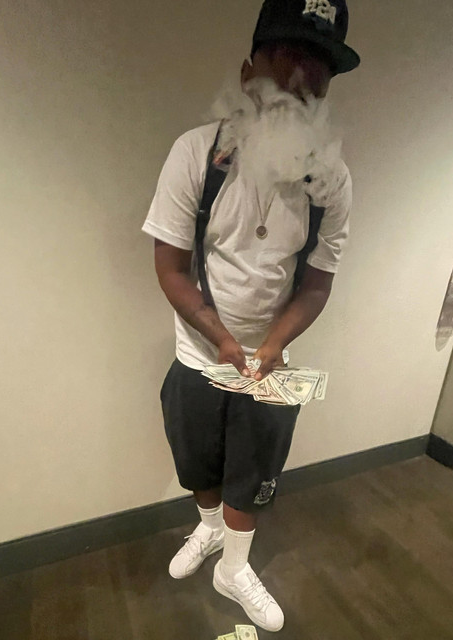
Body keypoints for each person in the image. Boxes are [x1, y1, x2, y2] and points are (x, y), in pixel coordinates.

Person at [141, 0, 360, 632]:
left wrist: (272, 345)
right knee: (198, 462)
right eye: (285, 63)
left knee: (256, 471)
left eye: (317, 74)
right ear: (247, 73)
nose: (298, 86)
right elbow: (171, 268)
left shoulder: (331, 181)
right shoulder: (195, 154)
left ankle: (234, 568)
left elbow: (316, 284)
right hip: (198, 352)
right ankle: (209, 529)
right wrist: (219, 338)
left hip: (272, 361)